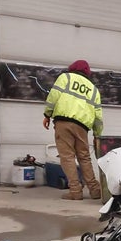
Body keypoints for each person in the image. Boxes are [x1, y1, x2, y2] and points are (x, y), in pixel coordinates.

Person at [43, 59, 104, 200]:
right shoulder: (93, 89)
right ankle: (95, 190)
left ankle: (75, 191)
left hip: (63, 122)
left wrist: (47, 114)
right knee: (84, 157)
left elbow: (53, 97)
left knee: (67, 156)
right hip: (82, 127)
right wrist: (97, 135)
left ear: (72, 68)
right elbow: (98, 116)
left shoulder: (66, 78)